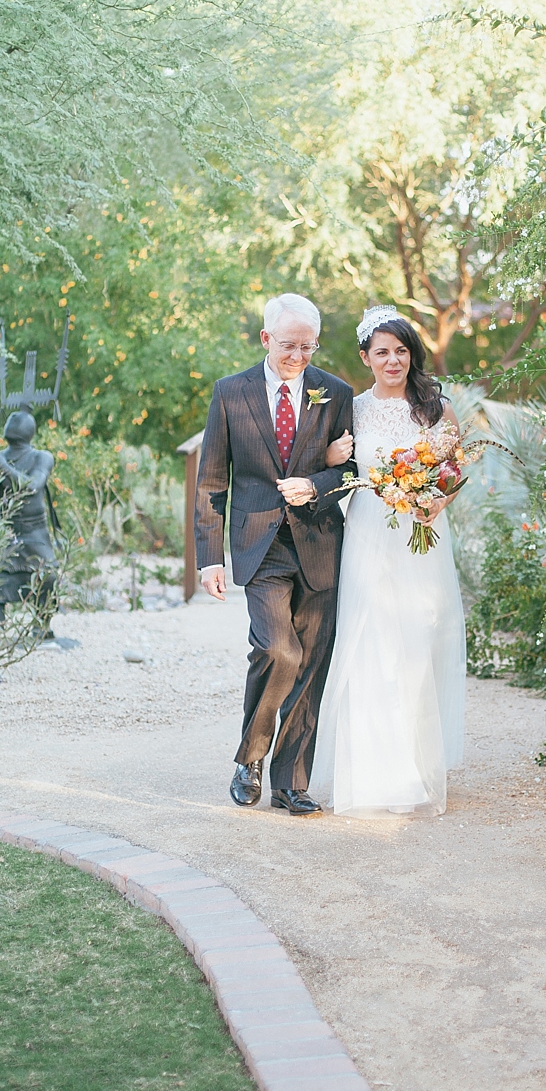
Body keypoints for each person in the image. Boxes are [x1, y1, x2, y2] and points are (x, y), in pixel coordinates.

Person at [195, 294, 355, 816]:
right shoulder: (230, 393)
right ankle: (251, 758)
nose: (299, 357)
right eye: (289, 345)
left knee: (311, 666)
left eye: (308, 347)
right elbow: (212, 481)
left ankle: (292, 782)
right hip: (260, 546)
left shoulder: (335, 392)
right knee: (278, 652)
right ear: (266, 339)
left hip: (321, 544)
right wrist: (209, 557)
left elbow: (354, 471)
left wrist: (318, 481)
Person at [311, 306, 465, 817]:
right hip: (370, 535)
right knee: (370, 642)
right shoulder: (350, 409)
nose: (393, 360)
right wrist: (332, 460)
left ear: (411, 354)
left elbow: (452, 470)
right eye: (382, 352)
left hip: (422, 536)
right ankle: (373, 774)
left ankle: (417, 767)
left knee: (420, 641)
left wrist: (435, 500)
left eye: (401, 350)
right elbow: (331, 460)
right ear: (365, 358)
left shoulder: (434, 409)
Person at [0, 409, 60, 638]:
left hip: (36, 531)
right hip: (8, 530)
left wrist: (4, 467)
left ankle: (41, 623)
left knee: (49, 575)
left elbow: (33, 485)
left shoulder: (41, 457)